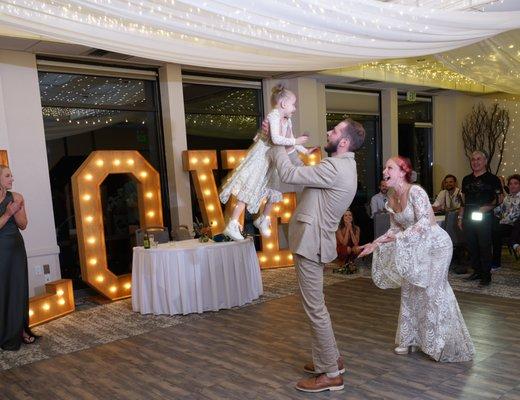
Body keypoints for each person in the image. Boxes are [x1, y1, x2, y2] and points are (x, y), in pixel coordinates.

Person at [268, 118, 366, 393]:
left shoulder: (334, 168)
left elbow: (288, 175)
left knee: (315, 310)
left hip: (312, 245)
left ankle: (331, 374)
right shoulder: (341, 166)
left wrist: (277, 144)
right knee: (317, 307)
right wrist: (287, 142)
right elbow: (299, 172)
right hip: (314, 242)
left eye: (334, 131)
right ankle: (331, 359)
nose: (328, 132)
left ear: (344, 142)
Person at [358, 157, 475, 363]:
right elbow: (395, 229)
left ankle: (437, 344)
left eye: (389, 167)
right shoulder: (391, 198)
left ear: (403, 172)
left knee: (433, 292)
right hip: (416, 248)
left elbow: (426, 221)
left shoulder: (416, 191)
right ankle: (409, 338)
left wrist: (400, 237)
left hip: (436, 246)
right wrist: (375, 244)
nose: (384, 170)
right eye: (385, 167)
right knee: (410, 289)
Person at [219, 84, 310, 241]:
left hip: (273, 157)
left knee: (274, 190)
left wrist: (303, 149)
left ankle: (263, 218)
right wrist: (296, 140)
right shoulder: (273, 116)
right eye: (293, 104)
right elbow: (276, 138)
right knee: (250, 187)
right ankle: (232, 224)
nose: (294, 108)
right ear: (283, 104)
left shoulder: (287, 120)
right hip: (262, 156)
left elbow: (289, 140)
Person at [0, 165, 39, 351]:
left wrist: (16, 212)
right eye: (7, 175)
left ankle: (20, 330)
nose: (12, 179)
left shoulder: (17, 197)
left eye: (11, 175)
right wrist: (7, 214)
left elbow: (23, 225)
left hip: (15, 249)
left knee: (17, 288)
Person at [458, 151, 502, 285]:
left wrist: (485, 208)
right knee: (471, 246)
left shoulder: (493, 179)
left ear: (485, 162)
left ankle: (486, 275)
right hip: (468, 216)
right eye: (473, 160)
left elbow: (499, 198)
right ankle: (477, 271)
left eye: (478, 159)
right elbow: (463, 200)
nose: (475, 162)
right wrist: (460, 217)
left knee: (484, 245)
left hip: (484, 216)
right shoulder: (466, 179)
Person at [492, 174, 520, 269]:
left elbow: (516, 215)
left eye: (516, 183)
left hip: (515, 225)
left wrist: (502, 221)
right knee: (487, 226)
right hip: (505, 224)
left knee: (496, 230)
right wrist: (488, 211)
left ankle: (496, 262)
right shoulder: (507, 198)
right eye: (511, 184)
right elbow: (499, 210)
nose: (512, 186)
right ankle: (484, 258)